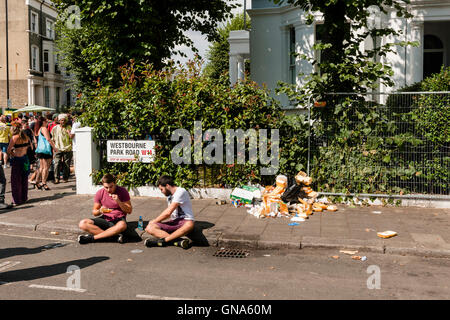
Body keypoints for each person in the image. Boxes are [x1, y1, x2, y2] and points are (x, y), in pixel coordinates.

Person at [78, 173, 132, 244]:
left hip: (118, 219)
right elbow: (95, 212)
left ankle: (92, 238)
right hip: (105, 219)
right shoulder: (100, 193)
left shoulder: (122, 191)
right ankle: (114, 237)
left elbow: (129, 210)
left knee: (122, 225)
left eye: (111, 186)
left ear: (115, 183)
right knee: (82, 223)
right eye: (106, 187)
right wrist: (100, 211)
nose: (109, 190)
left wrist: (119, 201)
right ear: (103, 185)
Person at [144, 175, 194, 249]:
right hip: (174, 222)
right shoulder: (169, 196)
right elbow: (168, 214)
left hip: (185, 221)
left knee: (190, 224)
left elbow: (168, 212)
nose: (161, 192)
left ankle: (162, 241)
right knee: (149, 228)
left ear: (167, 185)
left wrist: (155, 221)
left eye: (161, 189)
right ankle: (178, 241)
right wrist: (155, 223)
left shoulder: (180, 191)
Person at [7, 123, 31, 206]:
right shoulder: (26, 137)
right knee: (24, 179)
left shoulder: (14, 137)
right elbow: (30, 147)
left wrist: (13, 153)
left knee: (16, 181)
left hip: (17, 159)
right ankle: (24, 197)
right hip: (25, 159)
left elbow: (8, 150)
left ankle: (17, 200)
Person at [34, 116, 58, 190]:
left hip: (40, 150)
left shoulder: (38, 130)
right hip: (46, 150)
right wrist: (54, 148)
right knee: (46, 168)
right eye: (46, 121)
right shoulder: (44, 129)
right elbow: (48, 139)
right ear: (43, 122)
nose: (47, 122)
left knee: (41, 167)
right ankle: (44, 183)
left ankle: (37, 182)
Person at [51, 114, 73, 184]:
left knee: (66, 164)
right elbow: (52, 139)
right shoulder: (55, 128)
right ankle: (56, 178)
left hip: (67, 148)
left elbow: (71, 137)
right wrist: (54, 147)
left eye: (64, 120)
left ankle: (65, 178)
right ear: (59, 121)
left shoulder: (69, 127)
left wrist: (69, 132)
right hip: (58, 148)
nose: (63, 122)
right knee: (57, 163)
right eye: (61, 120)